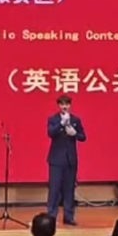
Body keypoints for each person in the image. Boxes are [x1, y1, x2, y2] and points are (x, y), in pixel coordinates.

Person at [47, 95, 87, 225]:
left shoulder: (76, 120)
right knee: (54, 189)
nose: (65, 107)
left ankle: (69, 217)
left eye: (67, 104)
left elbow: (83, 137)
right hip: (56, 160)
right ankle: (51, 217)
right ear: (59, 106)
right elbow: (50, 133)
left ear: (70, 105)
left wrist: (75, 134)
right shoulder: (53, 119)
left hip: (71, 160)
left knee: (69, 189)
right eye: (62, 104)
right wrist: (61, 124)